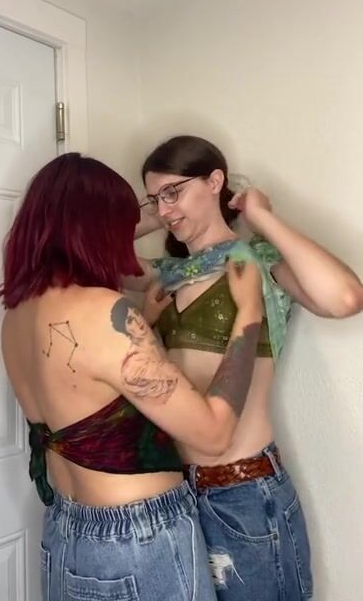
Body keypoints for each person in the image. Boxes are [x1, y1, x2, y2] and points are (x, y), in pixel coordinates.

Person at [0, 151, 275, 601]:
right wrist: (249, 313)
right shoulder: (104, 311)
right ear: (101, 228)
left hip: (66, 531)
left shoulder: (16, 316)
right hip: (137, 540)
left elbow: (94, 392)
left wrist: (147, 320)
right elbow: (213, 433)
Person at [125, 135, 363, 601]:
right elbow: (87, 251)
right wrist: (158, 210)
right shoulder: (170, 273)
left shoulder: (257, 262)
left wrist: (262, 218)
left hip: (246, 495)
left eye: (174, 192)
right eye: (155, 198)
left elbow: (346, 298)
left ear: (215, 181)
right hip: (176, 496)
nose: (166, 209)